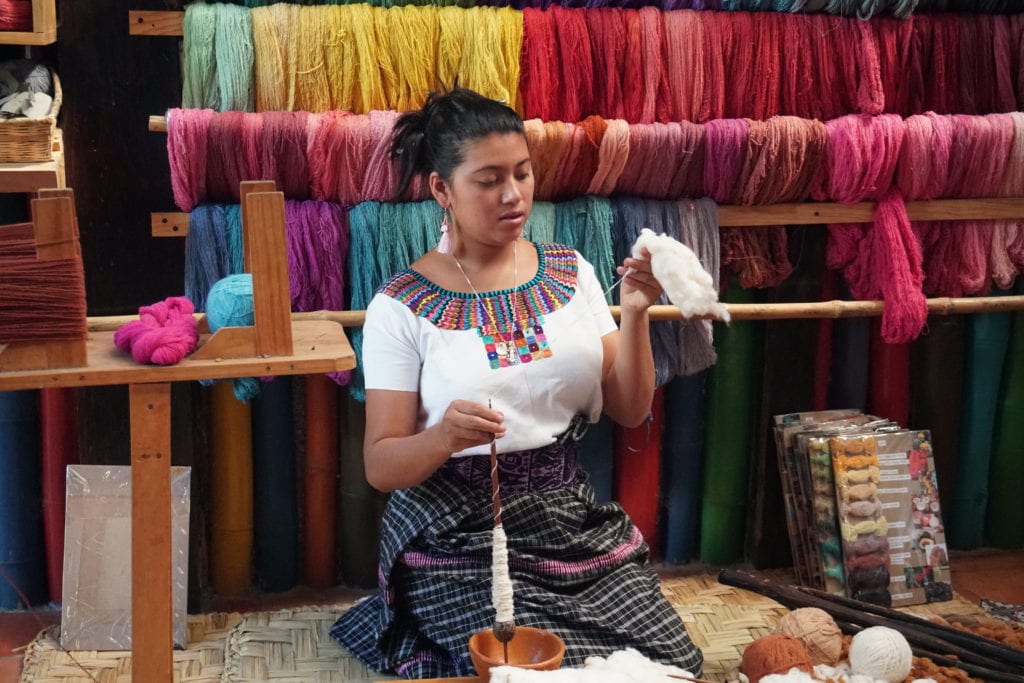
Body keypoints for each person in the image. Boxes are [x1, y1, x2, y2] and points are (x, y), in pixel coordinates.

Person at [329, 87, 703, 679]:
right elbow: (381, 464)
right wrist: (443, 438)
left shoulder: (570, 271)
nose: (513, 195)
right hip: (455, 532)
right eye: (488, 180)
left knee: (669, 664)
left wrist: (633, 313)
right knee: (530, 670)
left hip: (568, 521)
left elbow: (631, 410)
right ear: (441, 190)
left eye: (523, 174)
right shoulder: (401, 307)